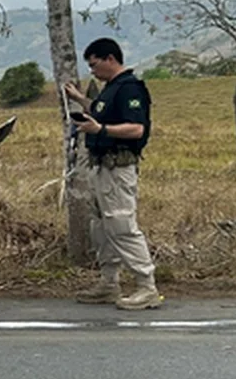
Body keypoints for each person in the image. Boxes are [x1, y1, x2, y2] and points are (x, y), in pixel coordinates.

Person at [63, 37, 162, 310]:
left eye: (95, 65)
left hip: (118, 168)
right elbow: (100, 112)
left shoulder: (130, 89)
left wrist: (101, 131)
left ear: (110, 59)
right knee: (102, 227)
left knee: (121, 224)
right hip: (101, 167)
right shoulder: (110, 90)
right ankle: (109, 283)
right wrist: (81, 100)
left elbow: (136, 129)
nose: (92, 71)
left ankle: (146, 286)